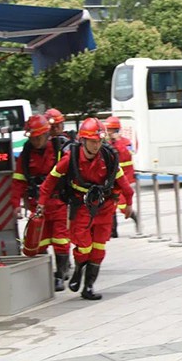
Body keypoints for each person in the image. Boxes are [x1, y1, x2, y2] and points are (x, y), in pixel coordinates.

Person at [37, 118, 133, 301]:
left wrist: (128, 203)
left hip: (104, 208)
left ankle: (88, 287)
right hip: (81, 208)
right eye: (93, 141)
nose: (96, 145)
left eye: (99, 141)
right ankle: (78, 270)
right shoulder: (70, 159)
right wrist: (41, 202)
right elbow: (49, 182)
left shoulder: (108, 157)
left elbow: (124, 185)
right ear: (83, 140)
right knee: (84, 246)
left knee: (99, 249)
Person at [10, 115, 70, 291]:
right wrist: (16, 204)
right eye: (33, 138)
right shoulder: (26, 155)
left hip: (58, 202)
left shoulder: (58, 149)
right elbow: (18, 181)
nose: (35, 141)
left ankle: (60, 274)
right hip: (37, 205)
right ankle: (46, 274)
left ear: (46, 134)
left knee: (60, 239)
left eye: (38, 137)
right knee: (40, 241)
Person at [104, 116, 137, 237]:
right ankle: (113, 232)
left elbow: (127, 154)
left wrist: (117, 142)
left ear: (116, 130)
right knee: (110, 206)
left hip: (125, 179)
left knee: (122, 205)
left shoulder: (126, 142)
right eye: (107, 130)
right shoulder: (105, 143)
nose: (108, 132)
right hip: (111, 181)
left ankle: (135, 217)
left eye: (110, 130)